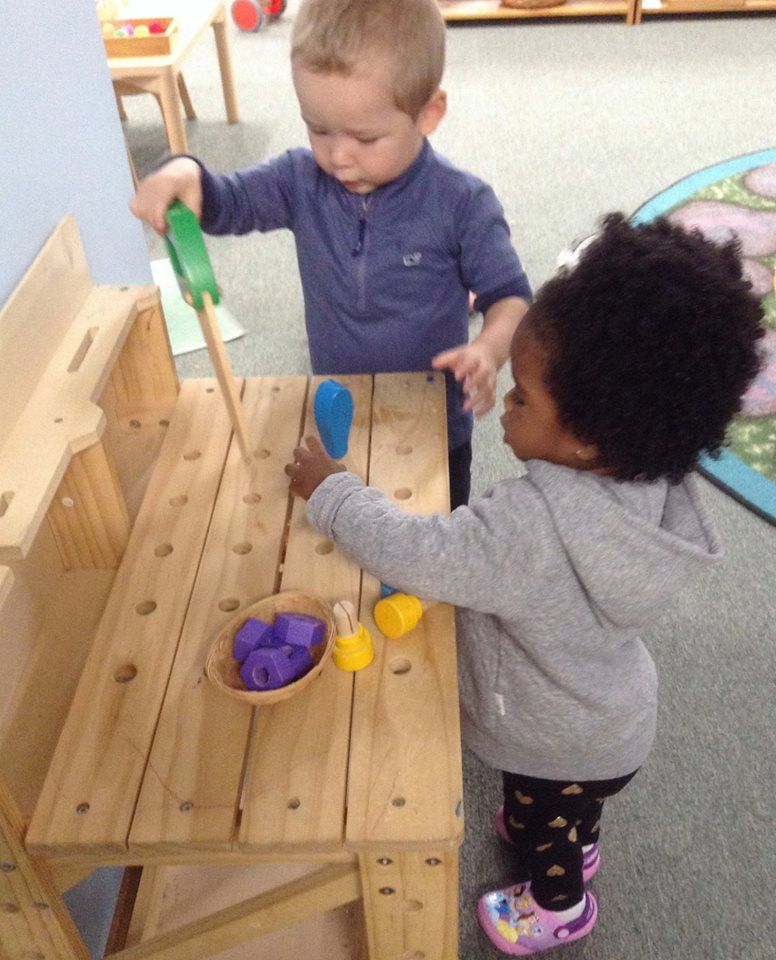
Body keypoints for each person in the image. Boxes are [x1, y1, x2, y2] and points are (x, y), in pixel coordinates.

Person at [284, 213, 764, 955]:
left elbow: (416, 551)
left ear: (586, 440)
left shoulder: (528, 528)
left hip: (553, 742)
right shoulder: (652, 475)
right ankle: (577, 831)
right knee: (569, 809)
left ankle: (559, 904)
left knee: (546, 833)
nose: (502, 409)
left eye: (522, 400)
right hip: (611, 720)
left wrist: (334, 491)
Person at [130, 0, 531, 510]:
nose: (338, 156)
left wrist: (489, 351)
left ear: (428, 114)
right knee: (341, 528)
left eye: (365, 137)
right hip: (338, 405)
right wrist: (182, 171)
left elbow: (512, 298)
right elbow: (227, 201)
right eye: (318, 128)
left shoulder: (463, 202)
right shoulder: (300, 179)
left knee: (431, 540)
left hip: (432, 422)